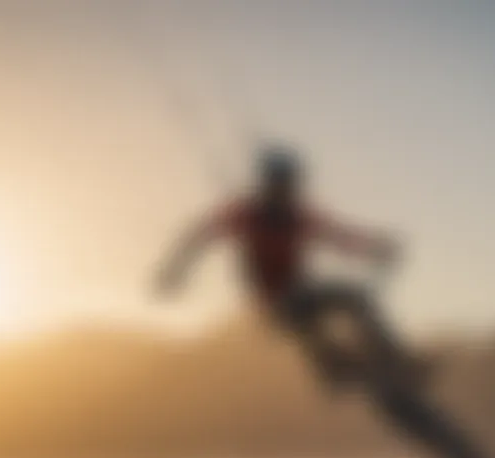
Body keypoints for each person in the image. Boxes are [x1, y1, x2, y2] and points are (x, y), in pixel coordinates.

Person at [155, 146, 425, 390]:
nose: (288, 191)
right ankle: (342, 366)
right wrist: (174, 270)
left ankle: (351, 366)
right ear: (269, 182)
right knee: (320, 313)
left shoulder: (300, 216)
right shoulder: (246, 213)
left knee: (349, 303)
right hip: (274, 305)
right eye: (283, 183)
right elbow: (200, 235)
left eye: (291, 184)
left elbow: (342, 237)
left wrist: (377, 248)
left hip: (298, 296)